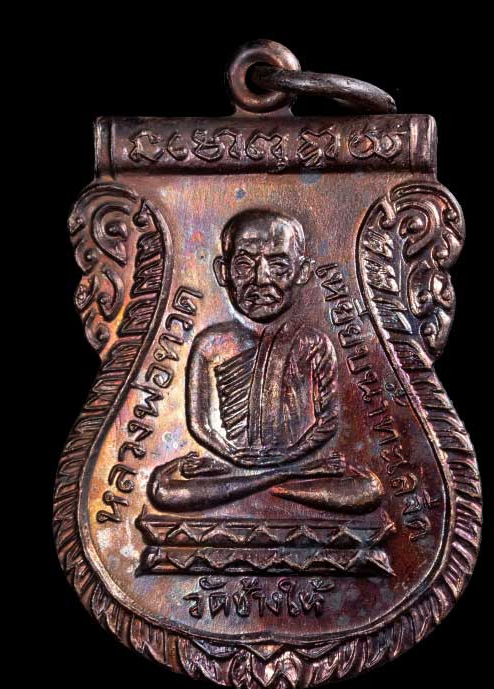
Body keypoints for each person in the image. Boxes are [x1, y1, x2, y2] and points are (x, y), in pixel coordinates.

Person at [149, 209, 382, 514]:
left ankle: (270, 482)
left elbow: (328, 421)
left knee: (368, 490)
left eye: (279, 265)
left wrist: (289, 457)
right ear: (223, 272)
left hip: (297, 467)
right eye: (245, 265)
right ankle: (275, 482)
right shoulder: (210, 343)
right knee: (163, 490)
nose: (261, 279)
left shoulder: (313, 342)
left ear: (302, 271)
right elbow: (199, 423)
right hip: (232, 470)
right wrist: (233, 456)